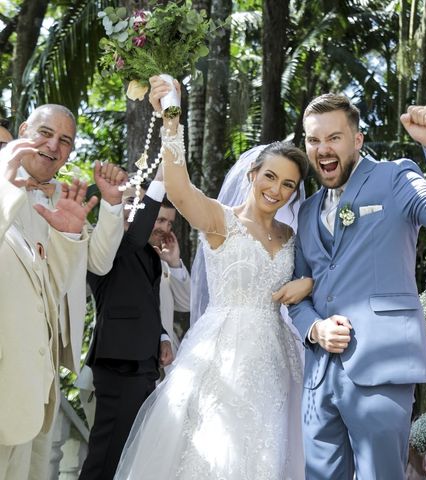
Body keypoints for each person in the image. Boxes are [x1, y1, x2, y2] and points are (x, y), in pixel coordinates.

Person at [113, 76, 312, 479]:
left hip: (277, 359)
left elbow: (319, 273)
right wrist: (172, 115)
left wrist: (309, 283)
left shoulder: (292, 237)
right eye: (271, 177)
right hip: (224, 351)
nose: (277, 190)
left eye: (288, 184)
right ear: (253, 173)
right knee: (213, 451)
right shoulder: (221, 220)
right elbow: (178, 186)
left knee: (267, 454)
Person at [288, 93, 426, 479]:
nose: (323, 149)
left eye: (334, 138)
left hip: (381, 365)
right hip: (320, 374)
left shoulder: (395, 177)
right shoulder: (305, 211)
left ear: (357, 140)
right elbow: (298, 292)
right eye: (313, 140)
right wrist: (314, 328)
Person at [0, 106, 100, 480]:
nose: (52, 146)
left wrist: (69, 236)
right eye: (44, 133)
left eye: (65, 140)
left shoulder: (54, 195)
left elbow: (48, 292)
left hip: (35, 391)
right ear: (24, 131)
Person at [79, 165, 177, 480]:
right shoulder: (105, 246)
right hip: (120, 366)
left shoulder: (148, 254)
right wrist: (161, 179)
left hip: (142, 366)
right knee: (105, 461)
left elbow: (144, 306)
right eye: (131, 203)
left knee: (126, 460)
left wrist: (162, 337)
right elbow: (133, 236)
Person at [77, 186, 191, 428]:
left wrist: (174, 263)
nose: (164, 228)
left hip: (161, 372)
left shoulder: (160, 259)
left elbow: (186, 302)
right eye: (159, 219)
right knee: (108, 454)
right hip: (117, 365)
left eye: (170, 223)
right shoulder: (110, 251)